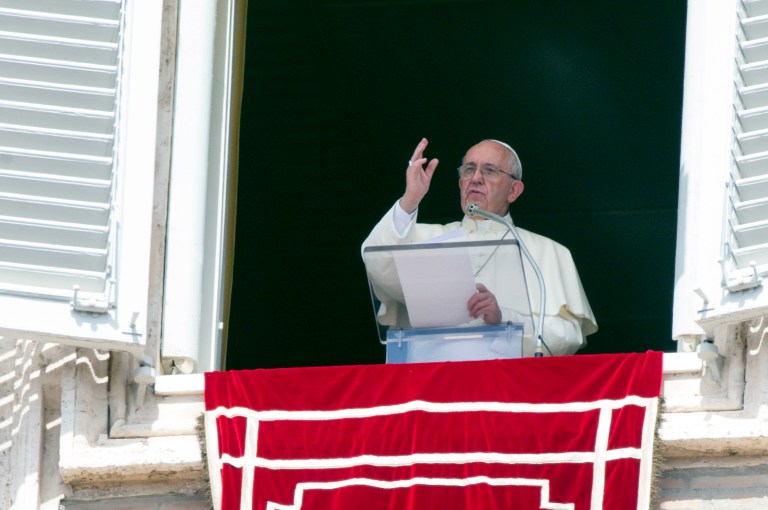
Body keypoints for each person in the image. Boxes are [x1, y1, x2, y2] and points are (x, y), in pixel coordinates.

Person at [362, 138, 597, 358]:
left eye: (489, 170)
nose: (475, 178)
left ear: (514, 190)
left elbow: (569, 335)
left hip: (506, 387)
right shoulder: (423, 237)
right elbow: (377, 263)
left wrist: (504, 320)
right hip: (430, 384)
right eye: (469, 170)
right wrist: (410, 199)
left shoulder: (547, 252)